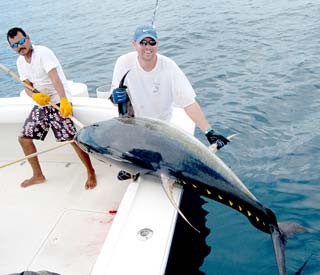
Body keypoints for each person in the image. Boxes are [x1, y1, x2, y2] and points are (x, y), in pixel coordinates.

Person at [110, 25, 229, 149]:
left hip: (162, 128)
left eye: (152, 42)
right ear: (134, 44)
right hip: (134, 126)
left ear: (157, 44)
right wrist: (114, 98)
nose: (148, 47)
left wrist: (208, 131)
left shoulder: (169, 67)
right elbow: (114, 100)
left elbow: (188, 102)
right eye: (143, 42)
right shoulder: (123, 63)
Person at [7, 27, 97, 189]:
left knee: (72, 139)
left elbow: (55, 79)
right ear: (12, 48)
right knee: (24, 139)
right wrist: (33, 96)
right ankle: (38, 175)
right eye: (15, 45)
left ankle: (91, 172)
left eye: (21, 42)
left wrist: (64, 101)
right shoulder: (20, 62)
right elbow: (27, 85)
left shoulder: (43, 53)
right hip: (42, 104)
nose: (20, 47)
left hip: (58, 101)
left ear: (28, 38)